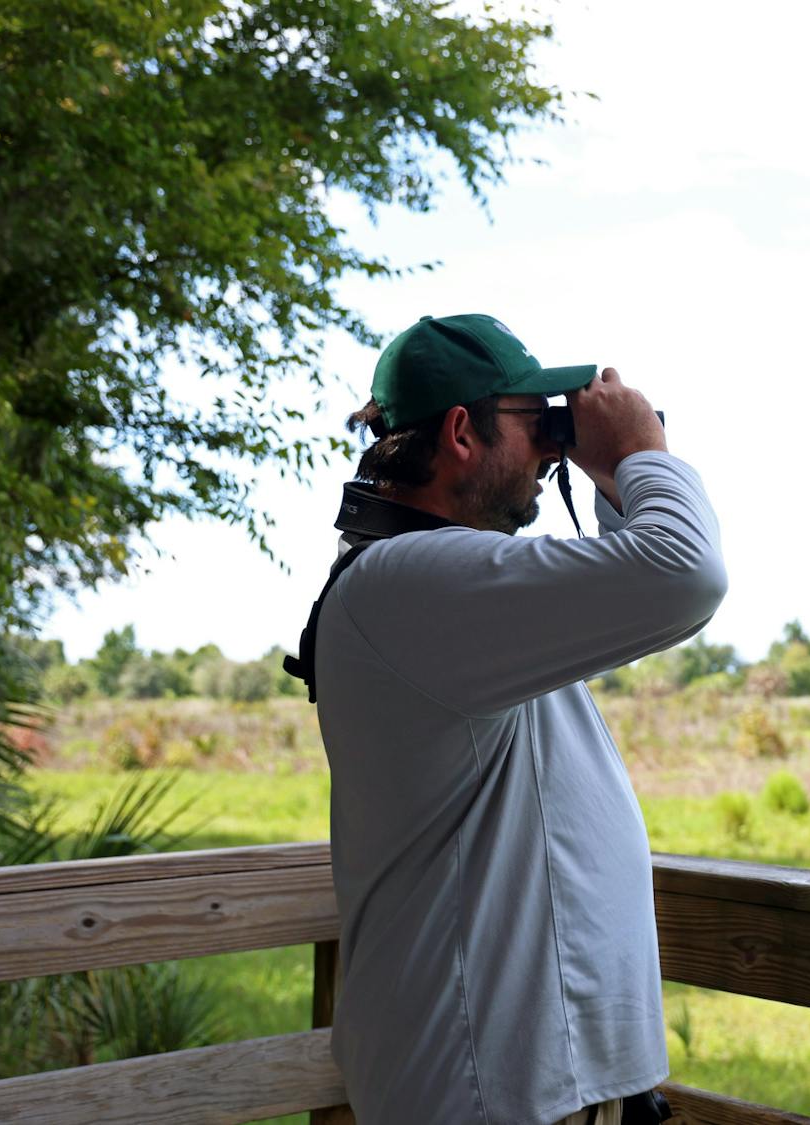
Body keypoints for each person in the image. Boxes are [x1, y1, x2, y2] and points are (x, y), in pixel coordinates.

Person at [290, 313, 728, 1125]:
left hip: (520, 1088)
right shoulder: (413, 580)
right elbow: (684, 573)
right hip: (488, 1093)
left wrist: (614, 476)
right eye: (537, 422)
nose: (552, 447)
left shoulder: (439, 587)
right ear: (462, 430)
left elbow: (638, 585)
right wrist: (636, 454)